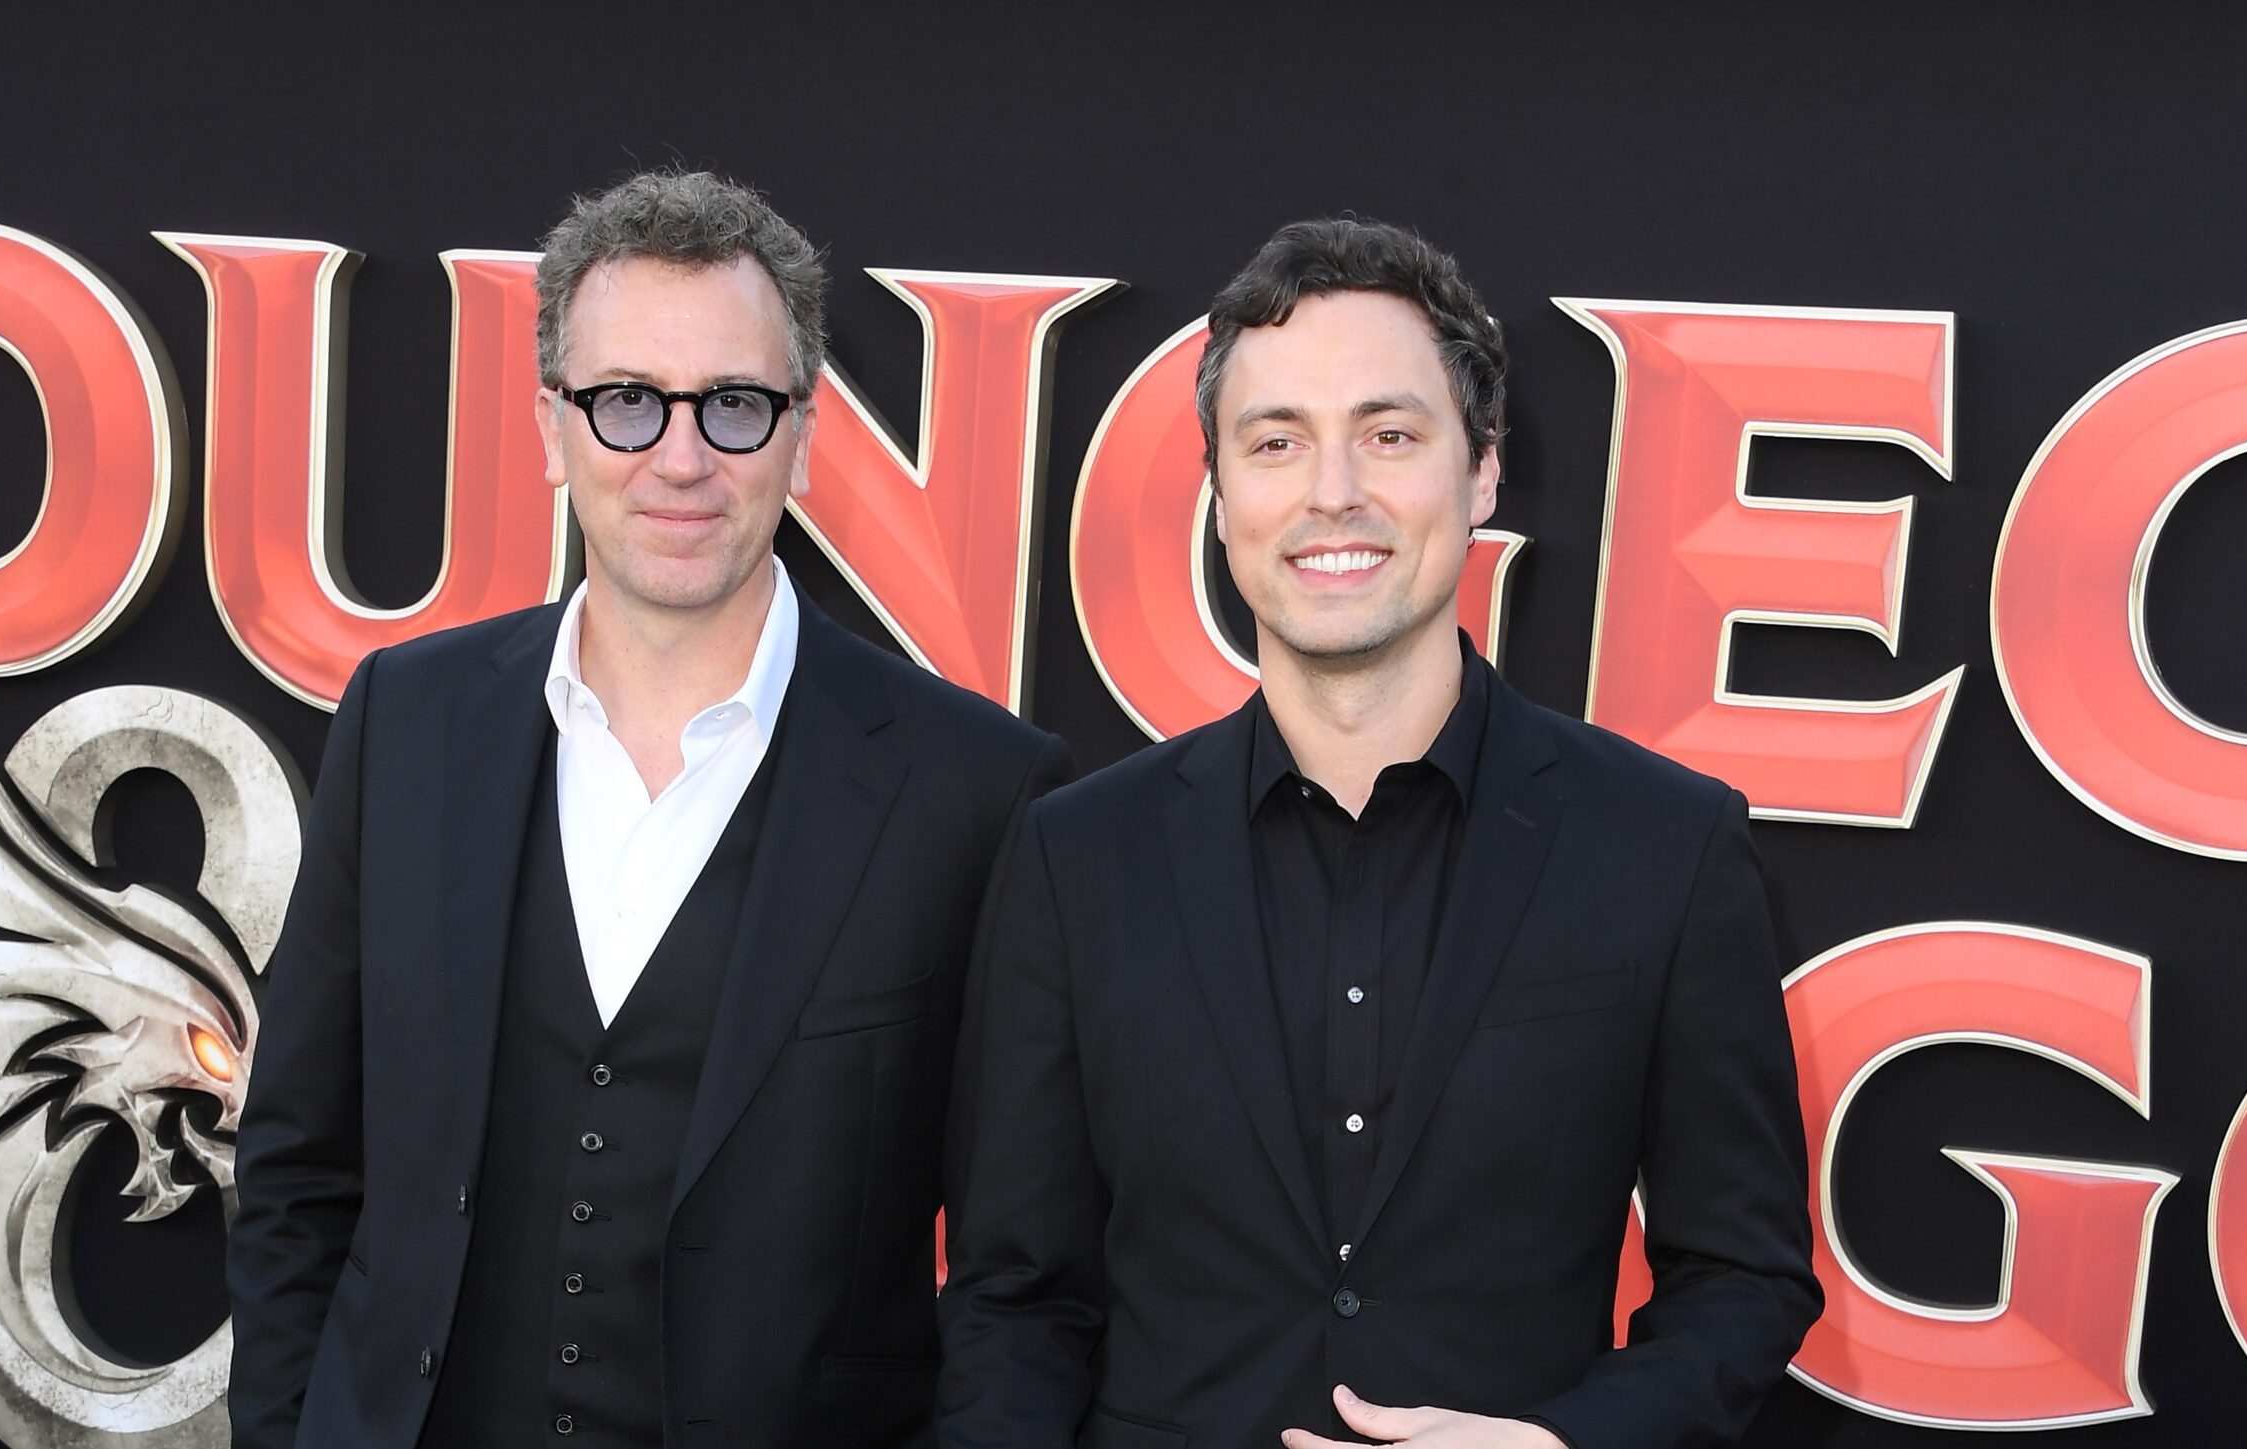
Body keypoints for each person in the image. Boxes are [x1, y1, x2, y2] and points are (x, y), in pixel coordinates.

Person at [938, 218, 1819, 1449]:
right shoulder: (1077, 857)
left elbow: (1743, 1277)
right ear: (1221, 494)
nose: (1332, 492)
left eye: (1389, 435)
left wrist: (1559, 1445)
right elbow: (1014, 1299)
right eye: (1276, 442)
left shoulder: (1667, 846)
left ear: (1483, 471)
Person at [228, 170, 1071, 1449]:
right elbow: (299, 1169)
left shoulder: (975, 790)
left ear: (803, 433)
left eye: (734, 405)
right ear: (550, 426)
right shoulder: (407, 721)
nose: (681, 460)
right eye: (627, 402)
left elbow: (1020, 1280)